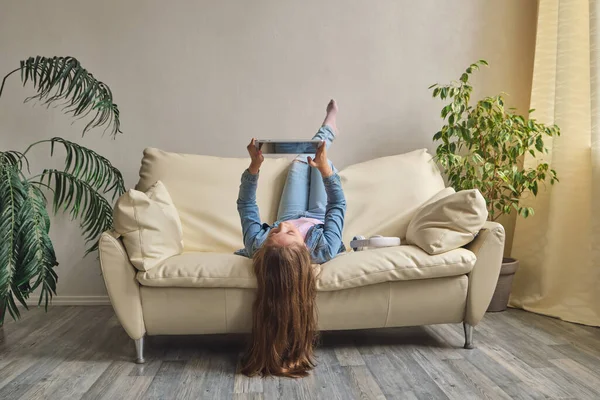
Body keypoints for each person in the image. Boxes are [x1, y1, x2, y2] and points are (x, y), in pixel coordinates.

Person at [236, 99, 346, 378]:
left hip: (295, 208)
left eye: (275, 232)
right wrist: (325, 172)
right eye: (290, 233)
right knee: (322, 160)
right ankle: (328, 129)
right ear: (303, 252)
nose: (282, 225)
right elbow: (337, 206)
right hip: (319, 215)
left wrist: (254, 167)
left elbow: (247, 206)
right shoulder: (323, 248)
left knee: (300, 161)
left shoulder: (258, 246)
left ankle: (326, 130)